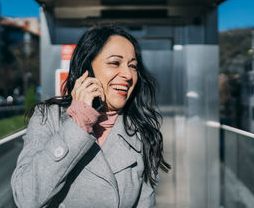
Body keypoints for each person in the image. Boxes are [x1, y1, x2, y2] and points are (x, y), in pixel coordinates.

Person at [11, 25, 170, 208]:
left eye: (132, 66)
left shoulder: (141, 132)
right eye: (114, 63)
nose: (128, 75)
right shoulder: (48, 118)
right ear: (87, 68)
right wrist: (79, 122)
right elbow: (25, 197)